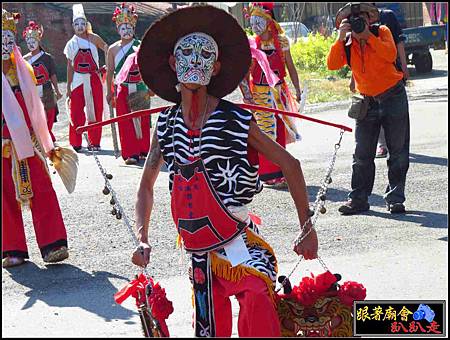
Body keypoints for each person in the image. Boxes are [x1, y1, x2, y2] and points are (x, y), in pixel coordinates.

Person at [131, 5, 318, 337]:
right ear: (174, 64)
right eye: (186, 52)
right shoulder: (167, 125)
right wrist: (142, 238)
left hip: (236, 241)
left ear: (215, 67)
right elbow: (146, 186)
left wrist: (307, 227)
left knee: (258, 296)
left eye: (204, 54)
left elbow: (290, 165)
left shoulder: (236, 119)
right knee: (209, 330)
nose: (195, 60)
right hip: (198, 255)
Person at [328, 2, 410, 215]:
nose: (357, 22)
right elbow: (332, 64)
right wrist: (340, 37)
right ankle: (359, 199)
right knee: (362, 154)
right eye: (353, 19)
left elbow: (390, 55)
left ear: (370, 18)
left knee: (398, 152)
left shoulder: (381, 32)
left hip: (393, 97)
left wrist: (367, 36)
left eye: (361, 18)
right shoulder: (347, 42)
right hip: (367, 101)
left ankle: (395, 199)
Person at [2, 9, 69, 268]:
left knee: (42, 188)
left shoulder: (24, 70)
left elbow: (36, 109)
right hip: (3, 145)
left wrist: (45, 141)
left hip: (28, 141)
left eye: (9, 39)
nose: (5, 45)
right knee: (4, 196)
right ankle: (13, 248)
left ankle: (54, 244)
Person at [239, 2, 302, 188]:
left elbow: (290, 67)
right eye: (252, 21)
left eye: (258, 20)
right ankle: (268, 175)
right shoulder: (252, 45)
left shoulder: (281, 41)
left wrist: (297, 89)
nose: (255, 25)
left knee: (280, 130)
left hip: (279, 92)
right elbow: (245, 74)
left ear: (268, 21)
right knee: (266, 132)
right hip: (260, 93)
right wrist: (247, 94)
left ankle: (281, 171)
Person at [349, 4, 409, 158]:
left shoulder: (386, 18)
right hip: (368, 94)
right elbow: (356, 57)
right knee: (367, 138)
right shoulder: (351, 33)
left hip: (391, 85)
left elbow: (398, 43)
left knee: (397, 141)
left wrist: (404, 66)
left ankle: (389, 150)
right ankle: (382, 145)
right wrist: (353, 79)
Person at [106, 3, 153, 165]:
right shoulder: (112, 49)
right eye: (123, 28)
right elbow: (110, 72)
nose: (126, 31)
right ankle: (130, 153)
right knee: (125, 121)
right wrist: (109, 92)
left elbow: (149, 68)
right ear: (118, 30)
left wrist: (151, 86)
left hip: (140, 86)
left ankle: (143, 150)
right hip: (122, 89)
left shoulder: (142, 45)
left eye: (129, 27)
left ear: (133, 27)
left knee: (142, 120)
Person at [63, 4, 108, 152]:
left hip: (94, 77)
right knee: (76, 110)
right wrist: (69, 86)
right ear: (73, 26)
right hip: (77, 79)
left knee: (96, 109)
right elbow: (69, 66)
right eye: (77, 24)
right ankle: (76, 141)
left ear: (86, 24)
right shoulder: (71, 44)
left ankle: (95, 142)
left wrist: (109, 65)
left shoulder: (94, 38)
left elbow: (107, 49)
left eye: (82, 23)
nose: (80, 26)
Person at [22, 20, 63, 143]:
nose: (31, 44)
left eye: (33, 41)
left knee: (49, 115)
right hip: (32, 91)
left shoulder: (47, 57)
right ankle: (42, 138)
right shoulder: (24, 59)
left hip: (46, 89)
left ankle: (48, 136)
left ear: (38, 40)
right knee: (36, 116)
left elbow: (52, 75)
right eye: (28, 42)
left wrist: (57, 90)